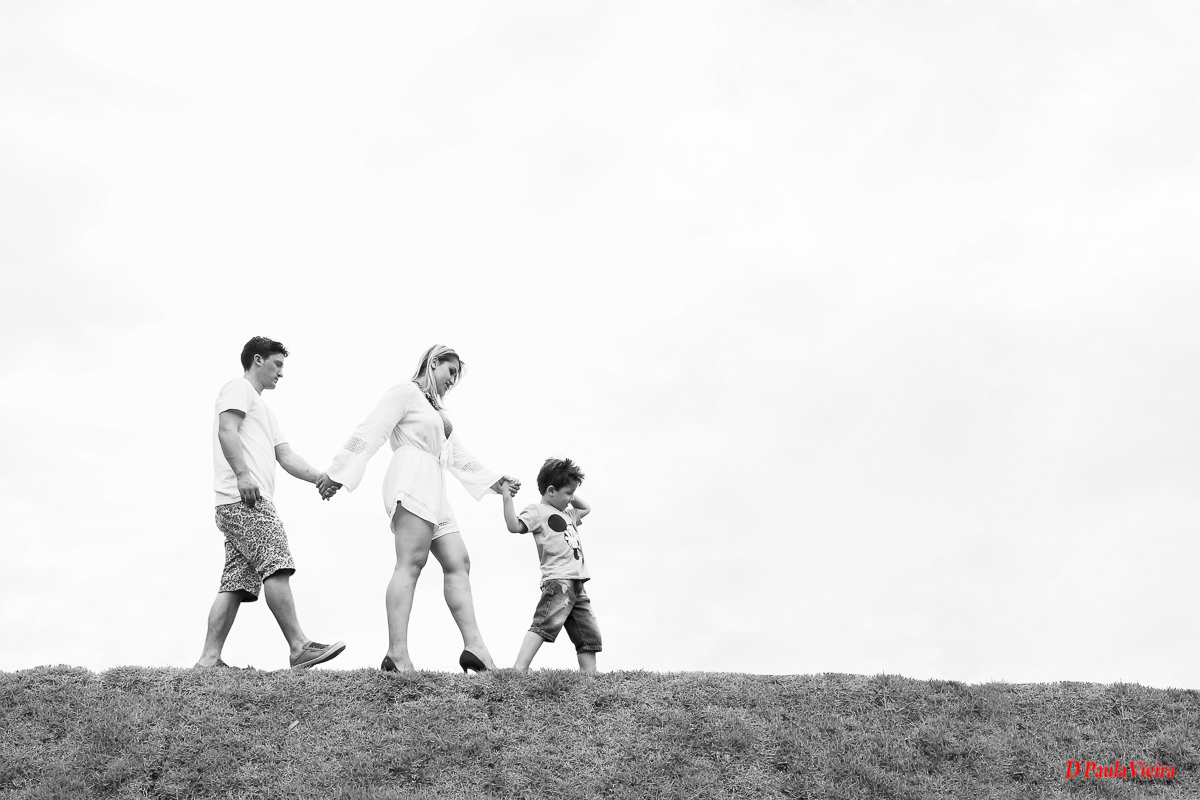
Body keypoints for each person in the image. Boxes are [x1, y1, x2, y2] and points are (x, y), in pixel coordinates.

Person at [316, 345, 519, 673]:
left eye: (457, 375)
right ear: (433, 362)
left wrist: (496, 481)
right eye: (450, 371)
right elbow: (373, 428)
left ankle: (476, 648)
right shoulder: (406, 393)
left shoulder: (438, 415)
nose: (453, 379)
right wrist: (339, 473)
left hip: (436, 487)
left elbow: (458, 457)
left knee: (459, 561)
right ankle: (397, 654)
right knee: (411, 562)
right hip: (412, 477)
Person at [196, 336, 345, 670]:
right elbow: (226, 429)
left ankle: (208, 660)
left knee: (236, 581)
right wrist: (242, 474)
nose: (281, 373)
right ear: (258, 360)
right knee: (276, 562)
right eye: (277, 365)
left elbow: (286, 455)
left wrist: (320, 477)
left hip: (236, 501)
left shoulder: (266, 411)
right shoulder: (239, 388)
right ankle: (299, 647)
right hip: (245, 498)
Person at [499, 457, 601, 673]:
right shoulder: (537, 511)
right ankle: (519, 668)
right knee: (546, 622)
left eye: (573, 492)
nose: (571, 498)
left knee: (587, 631)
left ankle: (590, 677)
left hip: (577, 583)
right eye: (568, 492)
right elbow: (513, 526)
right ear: (551, 490)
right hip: (558, 580)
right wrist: (507, 498)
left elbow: (587, 508)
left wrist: (570, 496)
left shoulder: (568, 514)